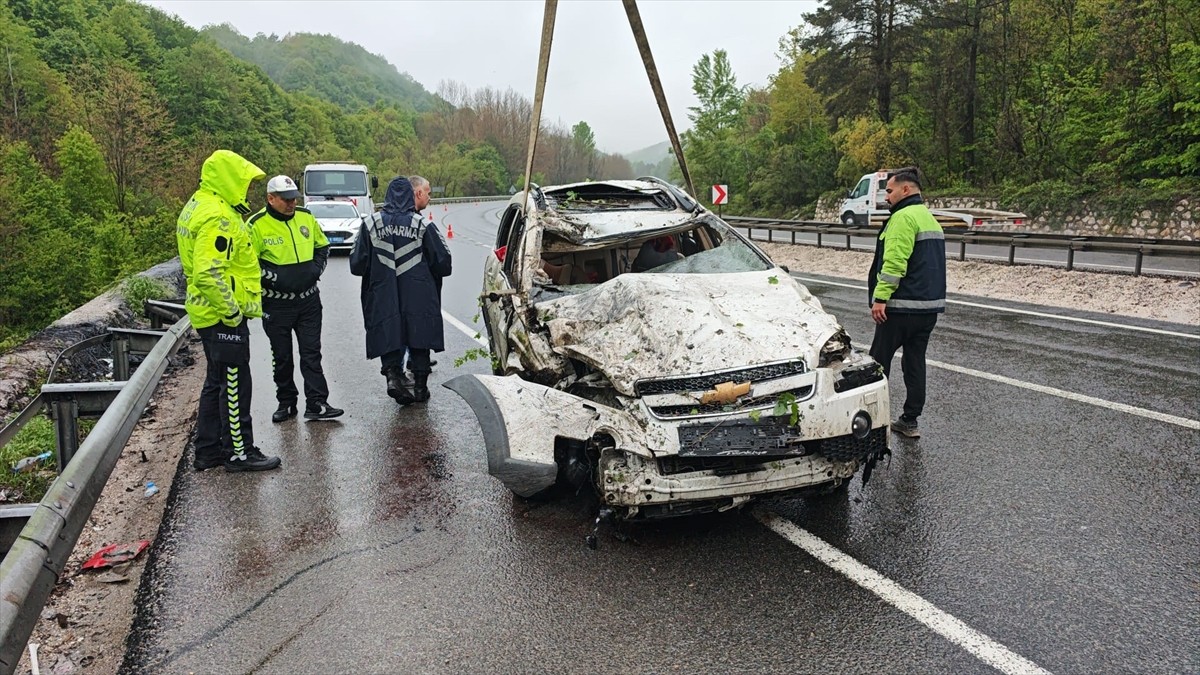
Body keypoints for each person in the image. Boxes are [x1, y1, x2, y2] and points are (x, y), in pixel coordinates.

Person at [176, 150, 281, 472]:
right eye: (244, 181)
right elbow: (209, 272)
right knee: (235, 384)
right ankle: (240, 452)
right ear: (229, 179)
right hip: (222, 315)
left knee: (215, 382)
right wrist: (232, 312)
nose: (248, 188)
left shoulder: (198, 204)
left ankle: (208, 451)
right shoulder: (217, 216)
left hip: (206, 313)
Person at [249, 175, 344, 423]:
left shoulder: (305, 216)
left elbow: (322, 247)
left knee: (312, 353)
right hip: (276, 303)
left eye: (294, 199)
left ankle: (317, 402)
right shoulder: (256, 225)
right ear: (270, 199)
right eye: (285, 200)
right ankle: (286, 402)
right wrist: (275, 278)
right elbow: (249, 264)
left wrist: (314, 270)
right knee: (282, 357)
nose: (291, 204)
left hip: (309, 301)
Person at [349, 176, 452, 404]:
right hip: (419, 294)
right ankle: (420, 388)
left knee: (389, 332)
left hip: (382, 293)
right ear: (410, 195)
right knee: (419, 334)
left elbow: (356, 265)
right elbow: (444, 263)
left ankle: (393, 378)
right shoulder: (422, 225)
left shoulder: (371, 224)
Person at [867, 167, 946, 439]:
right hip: (928, 309)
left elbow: (894, 264)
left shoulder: (902, 218)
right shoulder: (930, 219)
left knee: (877, 363)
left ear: (906, 189)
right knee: (915, 363)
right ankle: (910, 421)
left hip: (899, 307)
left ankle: (873, 421)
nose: (886, 196)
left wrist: (880, 298)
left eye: (889, 190)